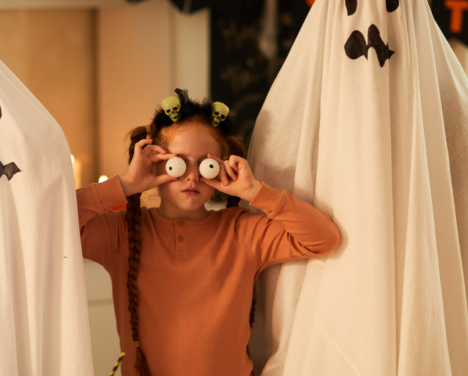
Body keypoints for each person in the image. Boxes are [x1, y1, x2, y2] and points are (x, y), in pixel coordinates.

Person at [76, 89, 340, 376]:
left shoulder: (241, 232)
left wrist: (255, 192)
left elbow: (323, 238)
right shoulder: (122, 233)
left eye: (205, 163)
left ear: (221, 166)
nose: (191, 176)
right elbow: (53, 226)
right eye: (178, 162)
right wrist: (125, 184)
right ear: (154, 161)